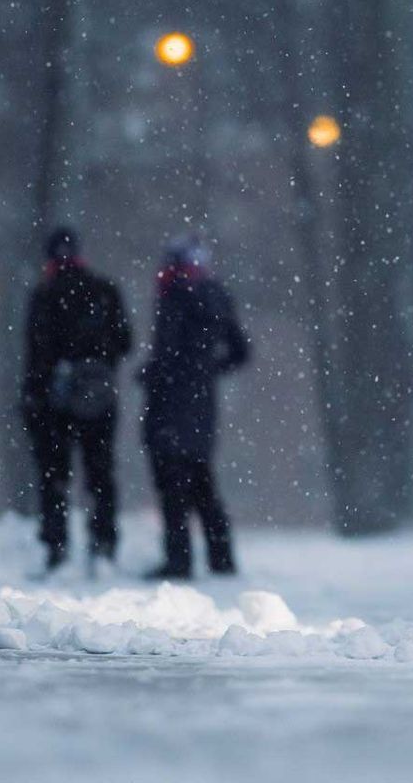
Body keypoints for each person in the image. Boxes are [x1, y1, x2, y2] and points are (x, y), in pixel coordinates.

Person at [21, 227, 132, 576]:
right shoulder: (104, 290)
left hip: (54, 404)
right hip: (99, 399)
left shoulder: (44, 295)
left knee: (54, 476)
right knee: (100, 474)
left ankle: (57, 548)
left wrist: (34, 399)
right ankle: (104, 545)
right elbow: (125, 342)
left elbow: (36, 354)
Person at [139, 234, 250, 579]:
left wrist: (153, 375)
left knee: (172, 483)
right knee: (202, 481)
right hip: (202, 404)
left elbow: (166, 351)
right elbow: (241, 352)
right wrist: (206, 371)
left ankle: (179, 560)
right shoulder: (217, 297)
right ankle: (222, 558)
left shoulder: (174, 295)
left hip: (171, 403)